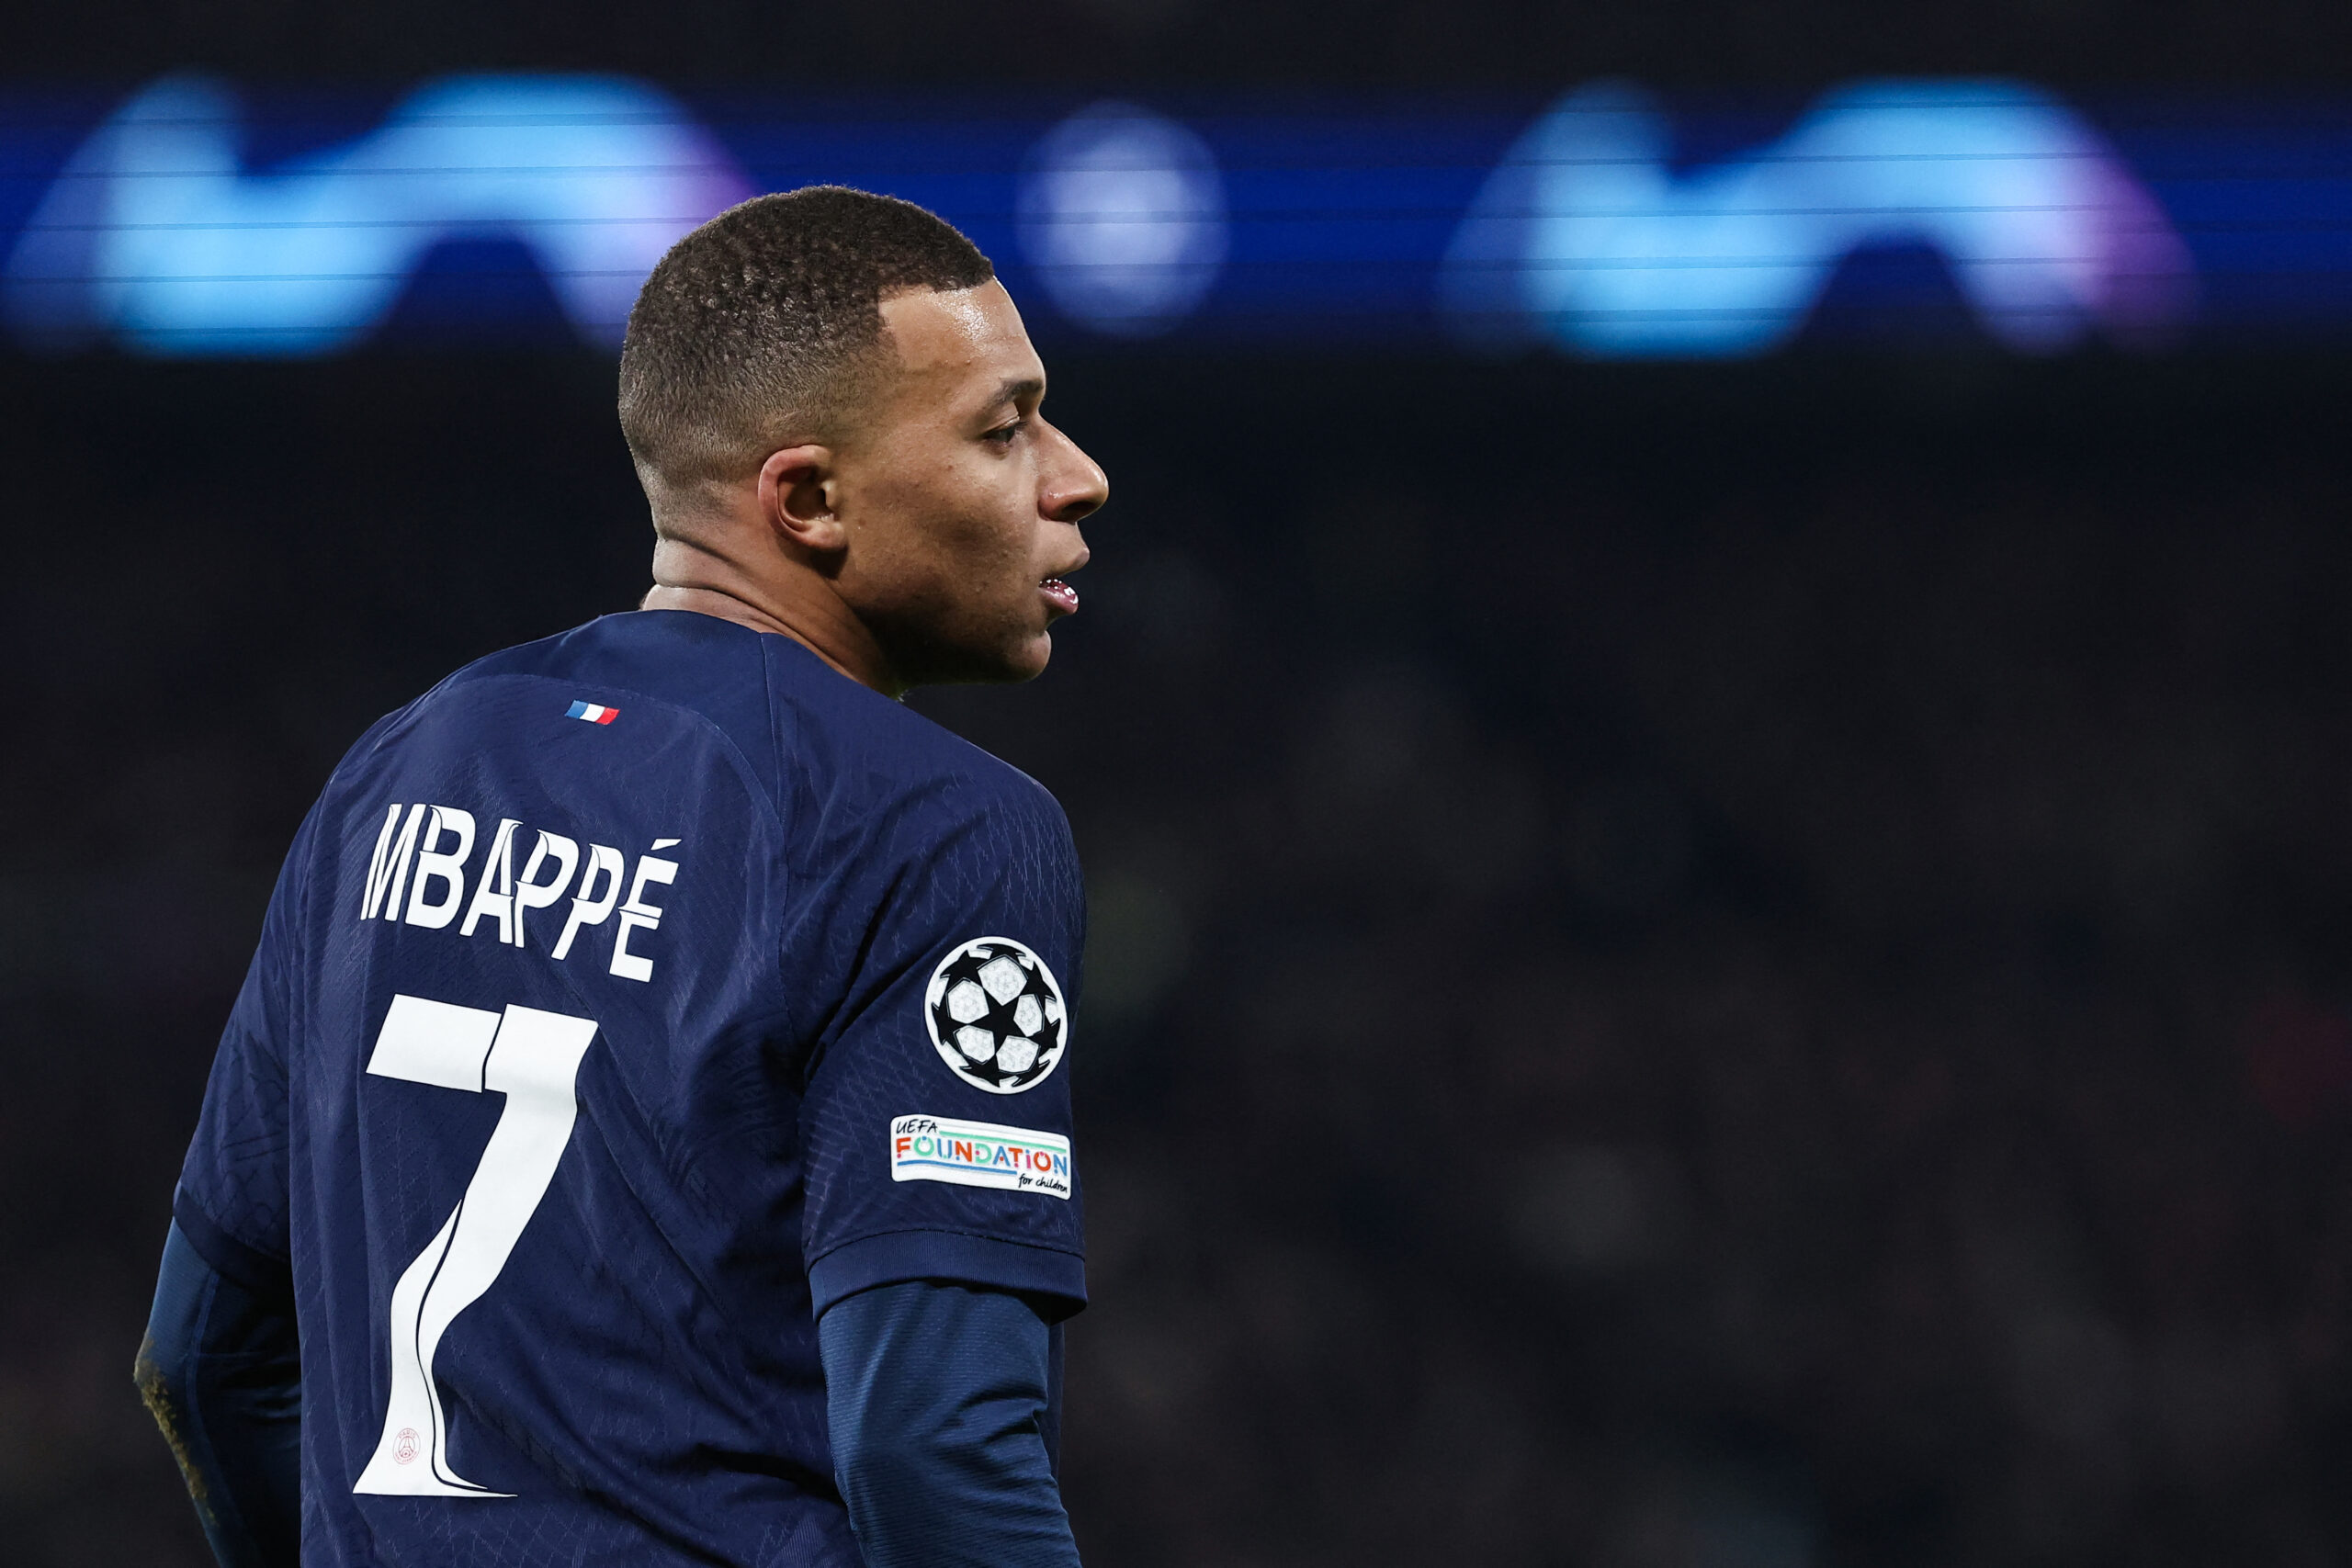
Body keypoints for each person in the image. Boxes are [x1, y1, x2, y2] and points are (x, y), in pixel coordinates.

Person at [134, 186, 1110, 1568]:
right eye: (1002, 429)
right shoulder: (935, 826)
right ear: (811, 500)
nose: (1075, 475)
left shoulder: (401, 764)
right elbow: (929, 1440)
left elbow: (205, 1356)